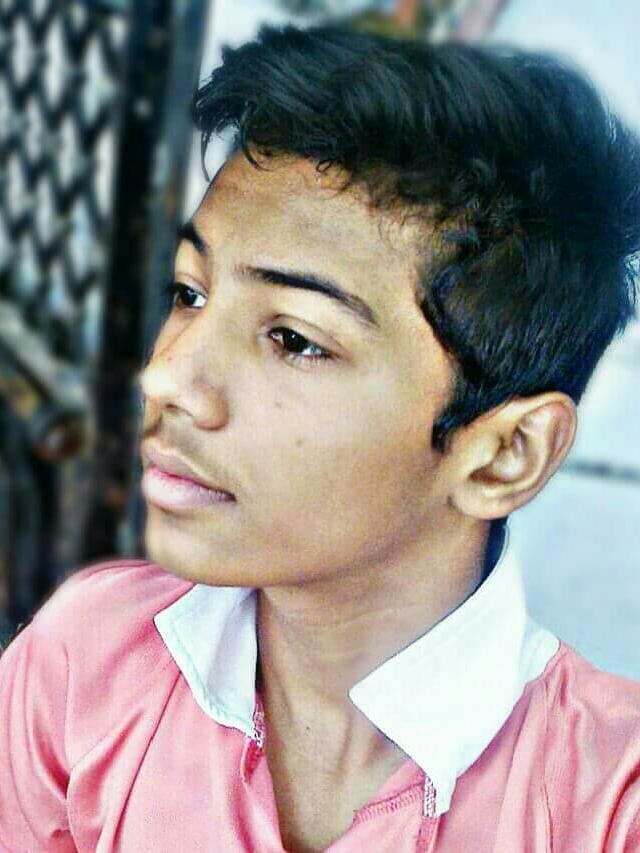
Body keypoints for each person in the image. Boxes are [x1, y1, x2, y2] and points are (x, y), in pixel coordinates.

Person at [1, 22, 640, 853]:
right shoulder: (85, 661)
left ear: (503, 454)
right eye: (190, 293)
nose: (167, 377)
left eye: (295, 339)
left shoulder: (608, 803)